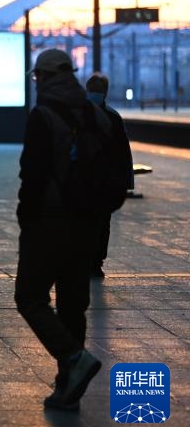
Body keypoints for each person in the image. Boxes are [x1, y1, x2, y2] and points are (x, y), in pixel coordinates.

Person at [15, 49, 106, 411]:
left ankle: (73, 357)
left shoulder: (43, 116)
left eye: (37, 77)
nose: (36, 83)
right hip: (88, 221)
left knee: (29, 296)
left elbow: (32, 174)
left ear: (46, 77)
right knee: (73, 305)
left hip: (50, 220)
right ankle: (68, 389)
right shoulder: (94, 113)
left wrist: (26, 217)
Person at [85, 73, 134, 279]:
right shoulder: (113, 117)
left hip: (83, 181)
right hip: (106, 181)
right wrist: (126, 182)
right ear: (106, 92)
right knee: (103, 224)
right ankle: (96, 263)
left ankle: (84, 261)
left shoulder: (76, 114)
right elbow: (123, 153)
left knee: (83, 223)